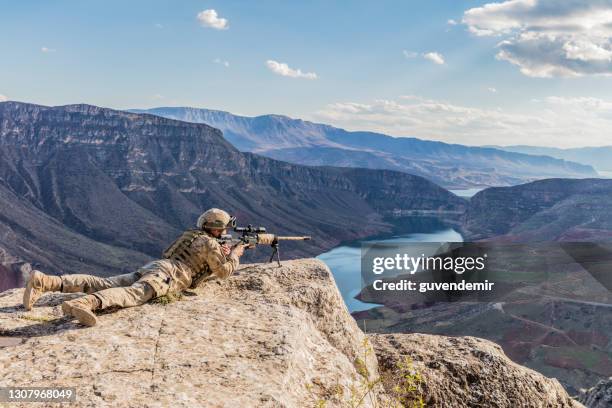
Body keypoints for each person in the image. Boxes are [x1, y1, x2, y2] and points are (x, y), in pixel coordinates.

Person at [22, 208, 246, 327]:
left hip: (158, 266)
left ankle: (45, 281)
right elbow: (223, 272)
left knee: (106, 282)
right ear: (216, 228)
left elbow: (203, 255)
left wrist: (224, 250)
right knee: (134, 294)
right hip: (170, 276)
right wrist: (235, 255)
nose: (226, 232)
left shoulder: (195, 236)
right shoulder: (209, 242)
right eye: (224, 229)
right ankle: (83, 303)